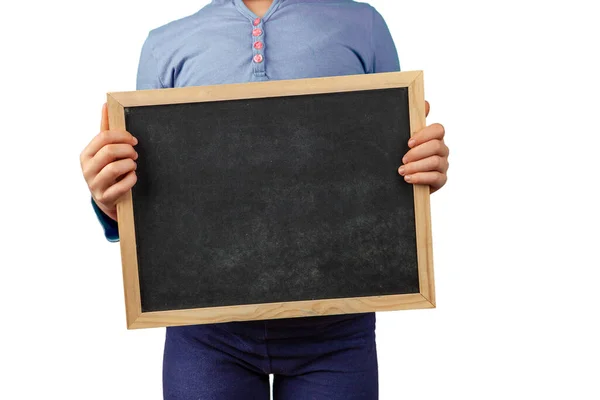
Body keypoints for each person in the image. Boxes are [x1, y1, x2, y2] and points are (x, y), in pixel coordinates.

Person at [79, 1, 450, 399]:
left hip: (337, 326)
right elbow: (153, 201)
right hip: (206, 330)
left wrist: (421, 169)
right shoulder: (165, 45)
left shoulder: (364, 27)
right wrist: (110, 202)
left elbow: (387, 164)